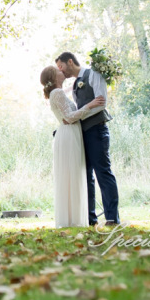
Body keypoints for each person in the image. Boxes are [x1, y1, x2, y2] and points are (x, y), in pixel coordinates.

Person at [55, 52, 120, 226]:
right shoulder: (76, 83)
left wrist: (79, 116)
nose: (60, 71)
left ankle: (112, 218)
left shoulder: (94, 74)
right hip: (81, 134)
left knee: (103, 173)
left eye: (61, 66)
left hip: (97, 130)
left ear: (70, 61)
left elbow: (102, 102)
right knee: (86, 176)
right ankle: (90, 219)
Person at [40, 65, 104, 228]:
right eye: (58, 71)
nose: (62, 72)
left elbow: (66, 102)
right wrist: (90, 105)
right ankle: (74, 219)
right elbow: (69, 117)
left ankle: (72, 217)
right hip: (69, 133)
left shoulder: (57, 92)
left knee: (71, 176)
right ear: (54, 77)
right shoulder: (57, 93)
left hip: (69, 134)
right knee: (73, 175)